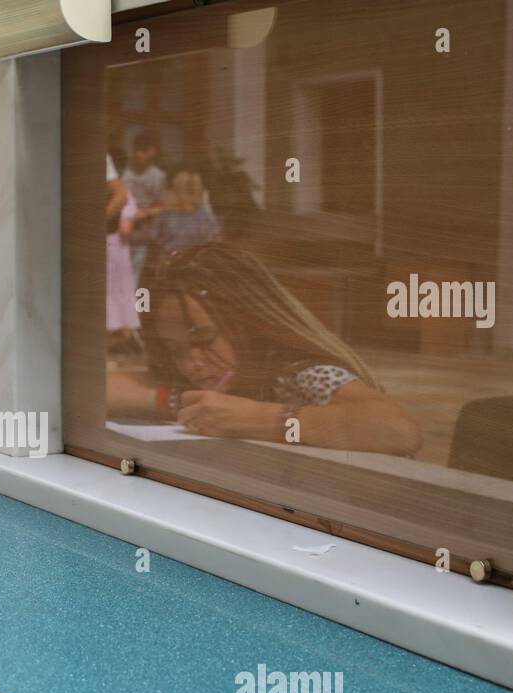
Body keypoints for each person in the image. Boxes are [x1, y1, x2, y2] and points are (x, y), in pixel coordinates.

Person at [108, 244, 422, 455]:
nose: (192, 363)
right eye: (174, 348)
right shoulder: (205, 382)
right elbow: (97, 387)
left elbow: (398, 430)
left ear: (248, 323)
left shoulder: (301, 375)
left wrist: (261, 418)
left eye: (203, 339)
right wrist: (174, 401)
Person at [105, 152, 143, 361]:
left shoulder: (122, 197)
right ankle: (123, 336)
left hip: (114, 247)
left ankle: (124, 337)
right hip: (117, 248)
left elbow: (126, 227)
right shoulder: (125, 197)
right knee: (118, 290)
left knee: (114, 289)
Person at [121, 132, 166, 286]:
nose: (138, 154)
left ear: (151, 152)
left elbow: (161, 206)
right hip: (120, 235)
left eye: (143, 150)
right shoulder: (123, 172)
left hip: (142, 236)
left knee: (138, 282)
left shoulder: (158, 176)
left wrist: (141, 214)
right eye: (136, 150)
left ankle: (136, 308)